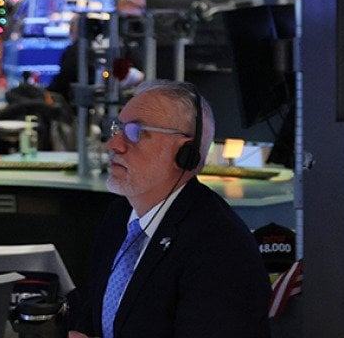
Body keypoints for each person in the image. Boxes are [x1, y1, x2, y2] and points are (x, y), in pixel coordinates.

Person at [67, 81, 271, 338]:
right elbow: (91, 317)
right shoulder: (117, 216)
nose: (114, 145)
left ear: (185, 152)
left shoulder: (220, 246)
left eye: (135, 133)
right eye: (116, 129)